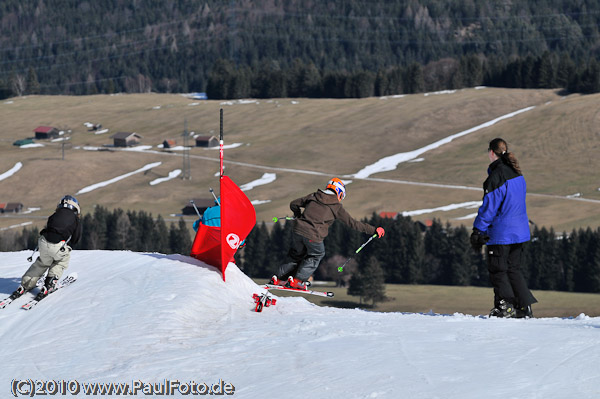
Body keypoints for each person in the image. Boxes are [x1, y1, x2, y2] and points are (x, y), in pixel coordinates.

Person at [271, 178, 385, 290]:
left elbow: (294, 204)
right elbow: (353, 223)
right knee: (317, 254)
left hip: (297, 230)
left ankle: (277, 278)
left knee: (295, 255)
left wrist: (298, 215)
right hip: (313, 235)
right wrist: (374, 230)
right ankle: (297, 281)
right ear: (340, 192)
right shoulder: (336, 207)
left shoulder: (314, 196)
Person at [470, 138, 537, 318]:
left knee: (498, 270)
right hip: (520, 232)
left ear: (492, 152)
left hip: (501, 233)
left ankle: (505, 306)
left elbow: (489, 208)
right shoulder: (517, 174)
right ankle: (524, 307)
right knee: (513, 269)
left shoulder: (496, 177)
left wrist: (478, 231)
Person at [8, 195, 82, 301]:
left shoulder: (54, 215)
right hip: (58, 246)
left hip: (43, 242)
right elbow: (75, 239)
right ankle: (50, 283)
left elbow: (48, 227)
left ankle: (26, 284)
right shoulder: (75, 219)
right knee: (61, 261)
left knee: (42, 263)